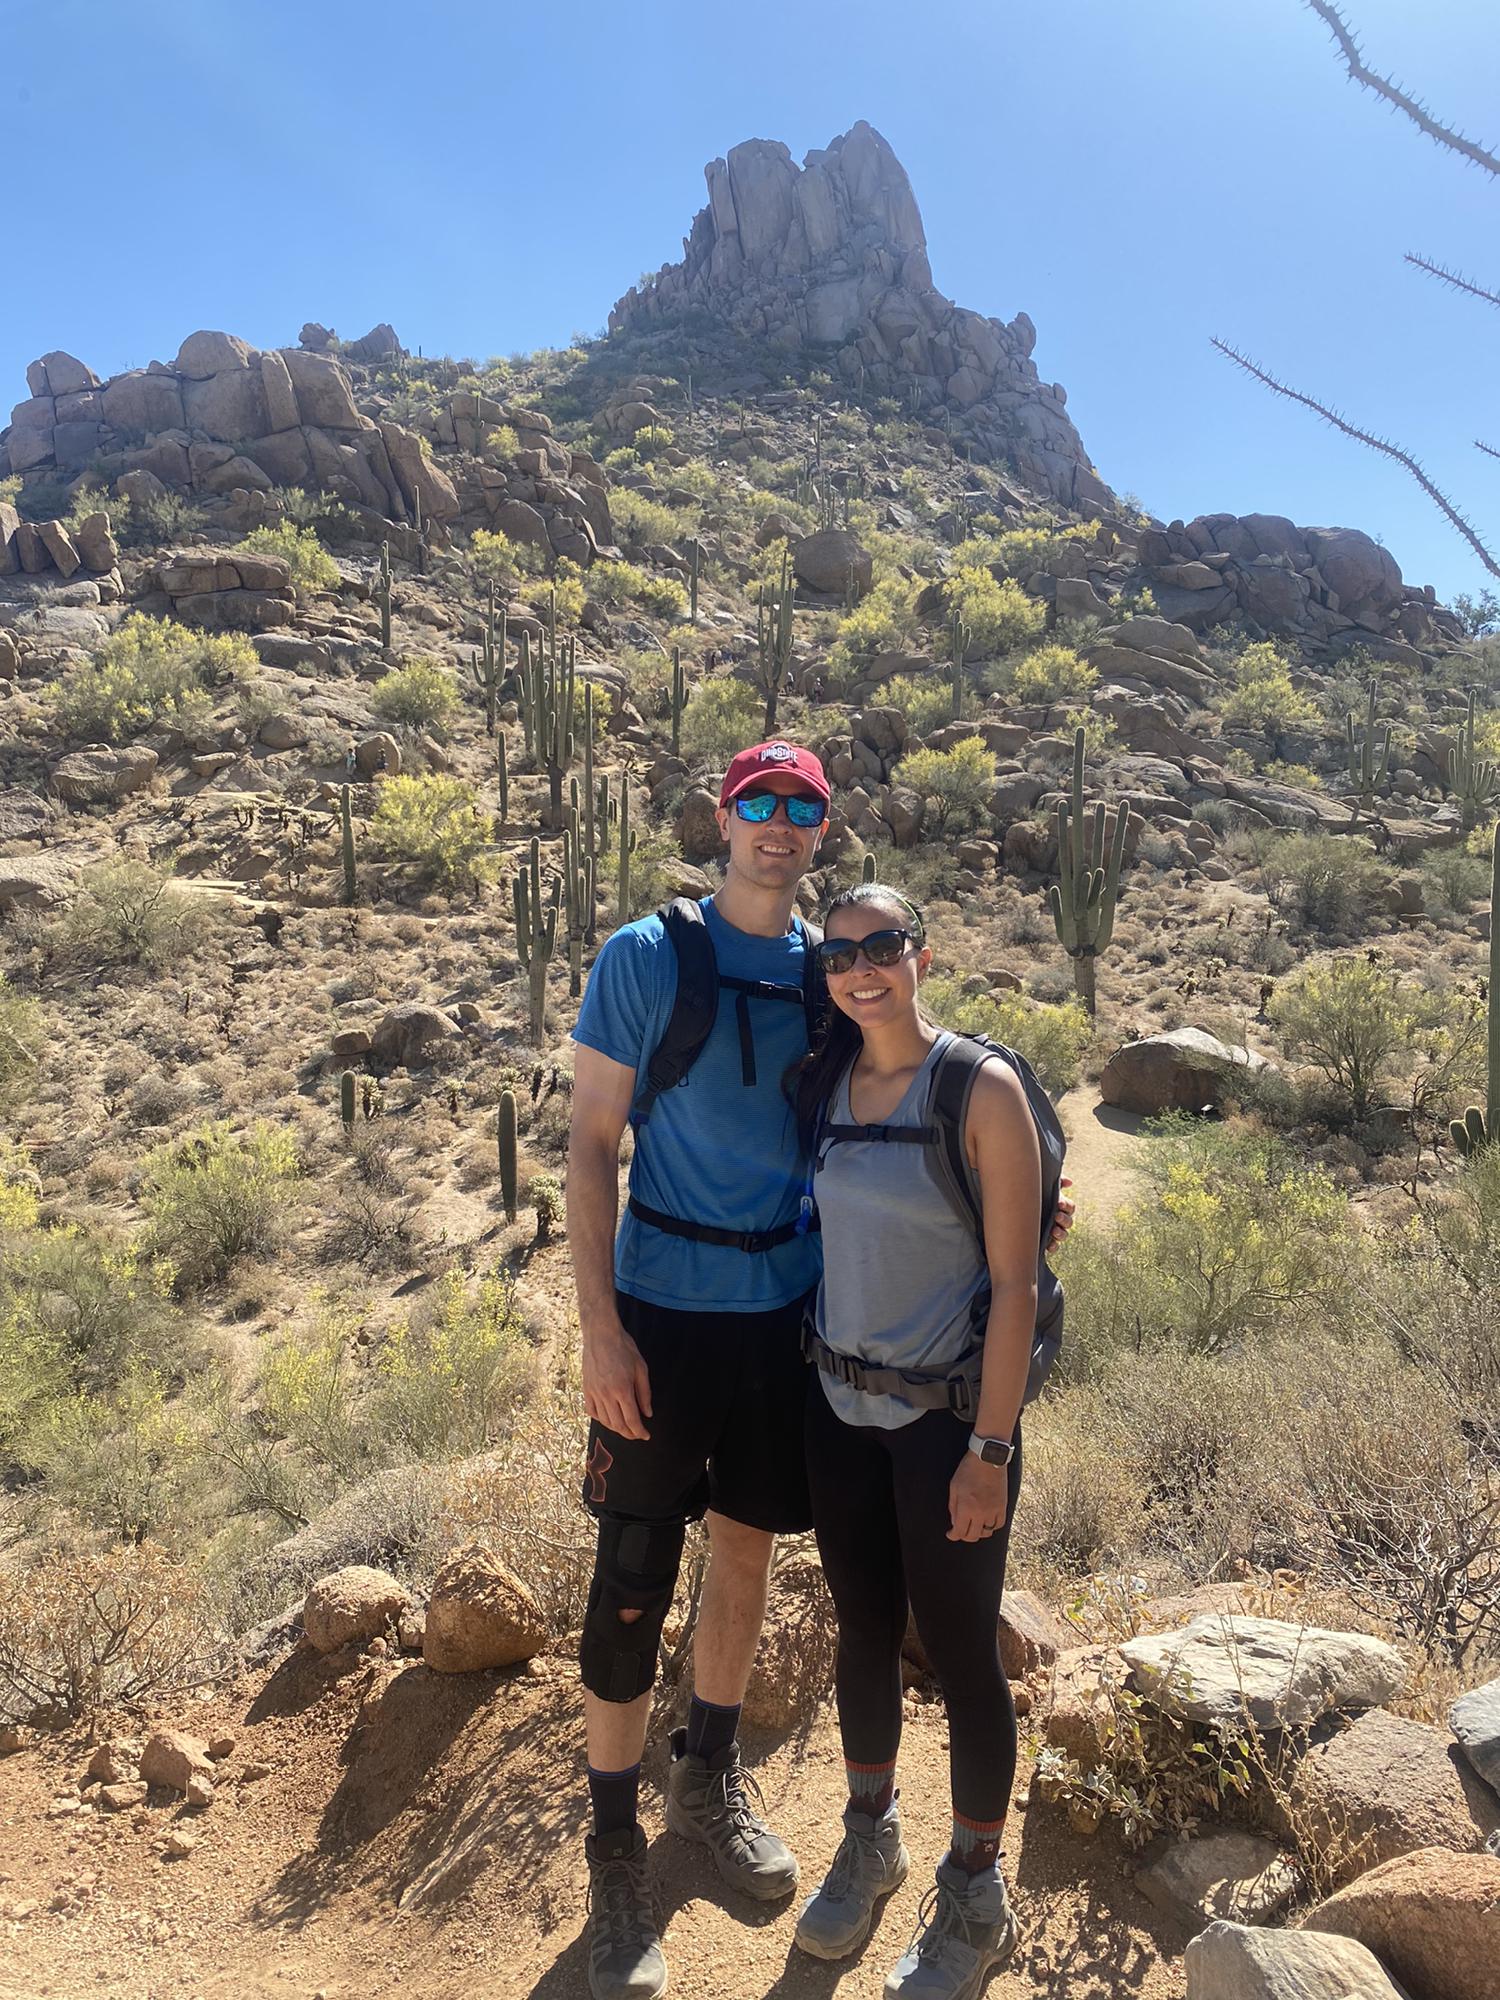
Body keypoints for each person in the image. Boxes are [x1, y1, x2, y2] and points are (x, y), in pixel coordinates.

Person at [567, 741, 1074, 2000]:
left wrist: (1022, 1205)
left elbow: (938, 1121)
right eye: (759, 803)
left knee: (744, 1549)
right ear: (723, 817)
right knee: (633, 1573)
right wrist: (598, 1328)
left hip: (790, 1319)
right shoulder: (648, 956)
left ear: (823, 829)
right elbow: (585, 1148)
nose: (779, 824)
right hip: (665, 1312)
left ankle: (710, 1775)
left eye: (803, 806)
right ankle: (613, 1847)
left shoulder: (820, 970)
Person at [789, 881, 1049, 2000]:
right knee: (860, 1629)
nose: (862, 967)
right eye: (842, 952)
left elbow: (1016, 1282)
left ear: (921, 956)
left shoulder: (978, 1087)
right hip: (840, 1410)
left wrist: (990, 1448)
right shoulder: (825, 1087)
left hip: (947, 1427)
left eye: (883, 945)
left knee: (959, 1652)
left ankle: (976, 1884)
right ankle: (871, 1832)